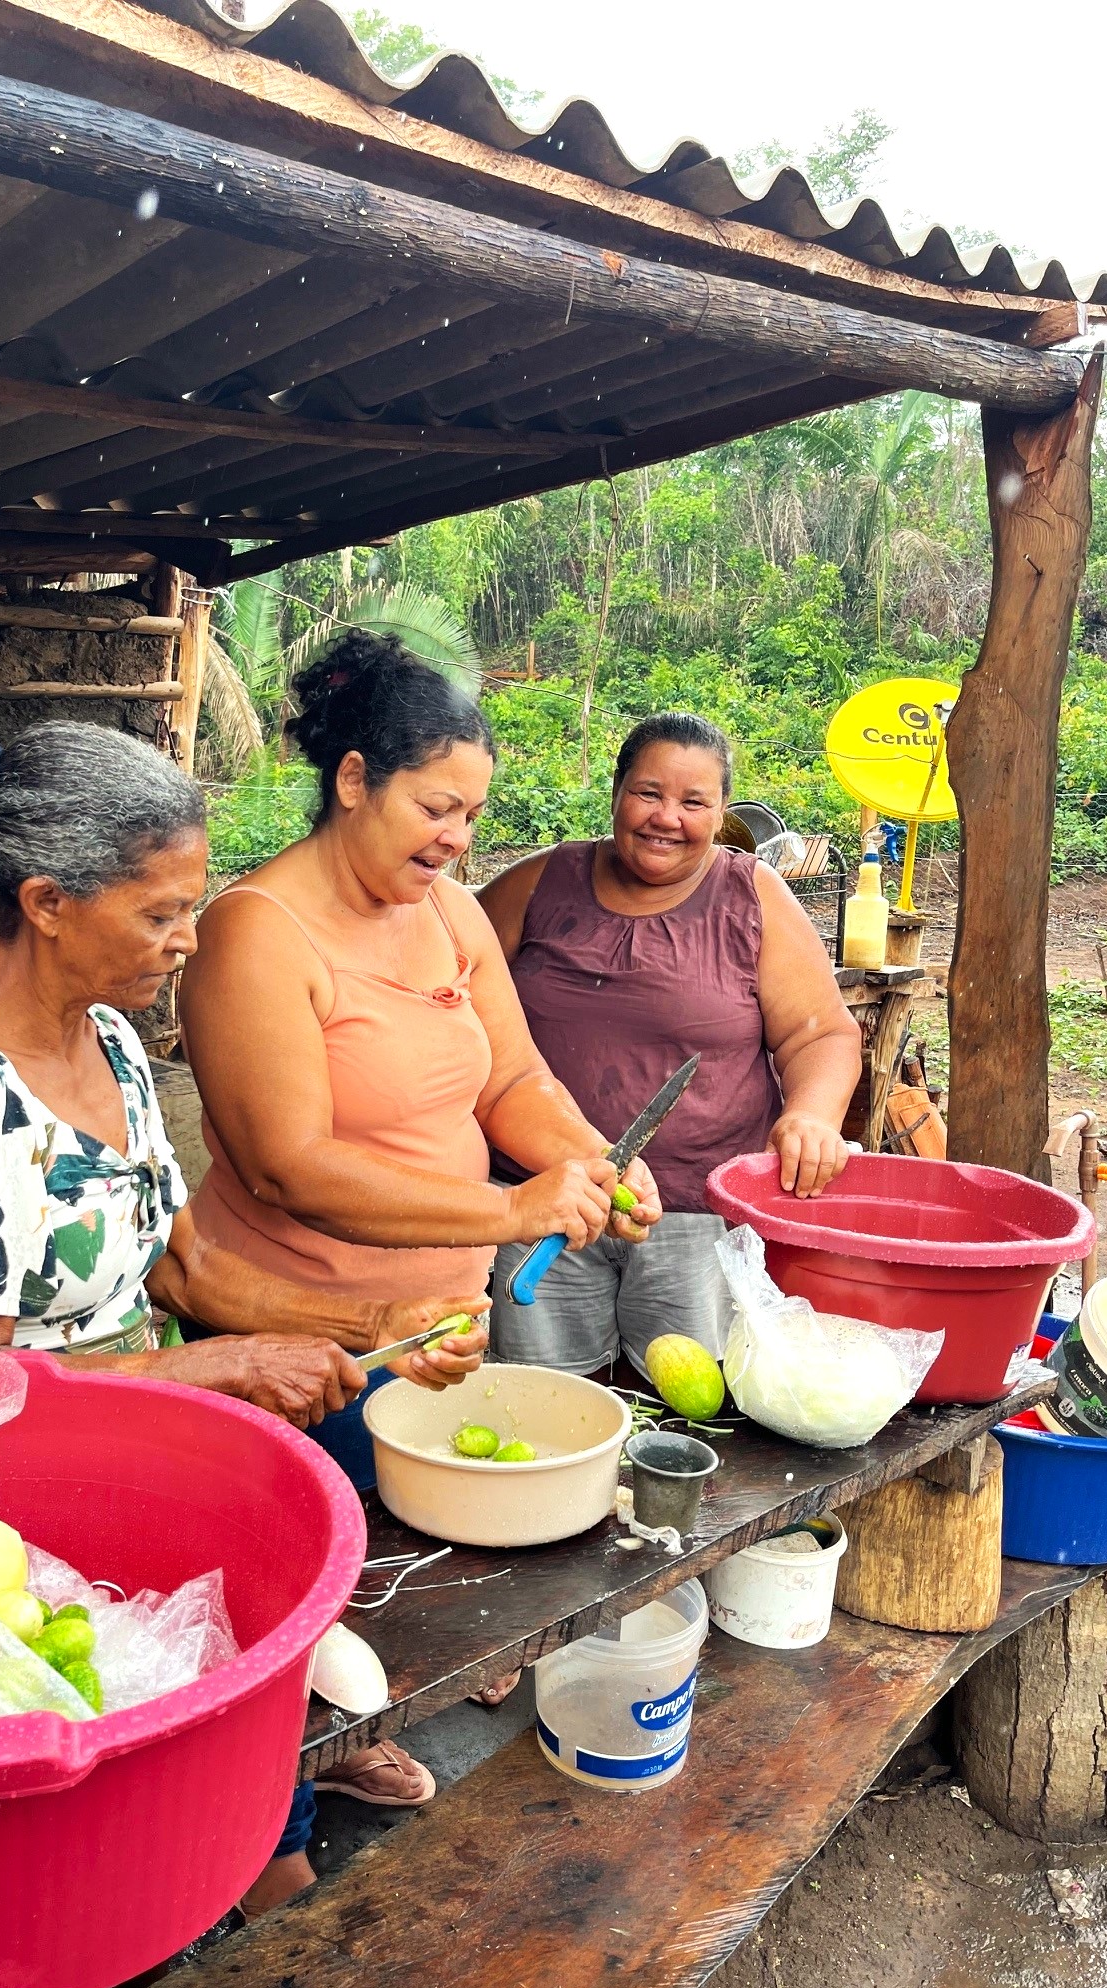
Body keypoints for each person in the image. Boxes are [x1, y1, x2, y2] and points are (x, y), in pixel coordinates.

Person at [0, 722, 487, 1917]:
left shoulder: (113, 1041)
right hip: (30, 1531)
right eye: (160, 915)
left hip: (156, 1470)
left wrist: (372, 1320)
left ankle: (263, 1837)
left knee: (231, 1722)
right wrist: (229, 1370)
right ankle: (254, 1913)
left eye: (192, 906)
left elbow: (186, 1271)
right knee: (123, 1831)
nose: (189, 941)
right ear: (46, 901)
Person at [179, 634, 662, 1886]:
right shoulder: (257, 932)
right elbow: (287, 1162)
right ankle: (265, 1831)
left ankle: (344, 1738)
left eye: (471, 815)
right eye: (435, 808)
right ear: (352, 779)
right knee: (289, 1588)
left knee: (405, 1578)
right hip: (299, 1328)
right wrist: (512, 1217)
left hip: (439, 1320)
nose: (457, 840)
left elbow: (510, 1079)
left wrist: (593, 1161)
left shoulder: (448, 914)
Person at [478, 710, 861, 1381]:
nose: (666, 818)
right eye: (649, 793)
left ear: (720, 816)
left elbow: (821, 1033)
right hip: (544, 1200)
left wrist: (812, 1114)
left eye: (694, 802)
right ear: (617, 793)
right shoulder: (539, 883)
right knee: (543, 1404)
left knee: (689, 1408)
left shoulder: (753, 896)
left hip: (696, 1220)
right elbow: (439, 980)